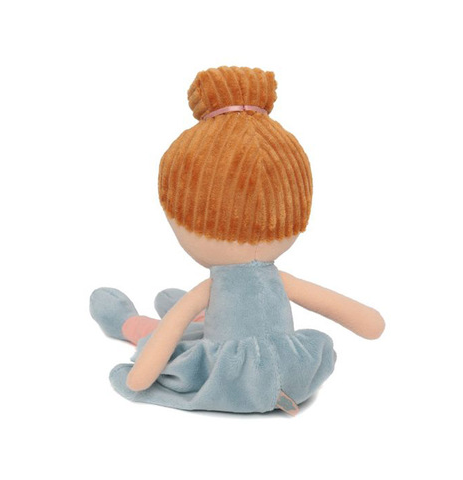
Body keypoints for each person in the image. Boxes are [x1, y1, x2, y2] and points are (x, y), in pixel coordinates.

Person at [90, 66, 385, 415]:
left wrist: (140, 377)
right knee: (183, 319)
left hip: (226, 376)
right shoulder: (280, 280)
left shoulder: (215, 284)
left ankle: (127, 322)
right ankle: (189, 317)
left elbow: (160, 346)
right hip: (293, 372)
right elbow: (369, 322)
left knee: (167, 337)